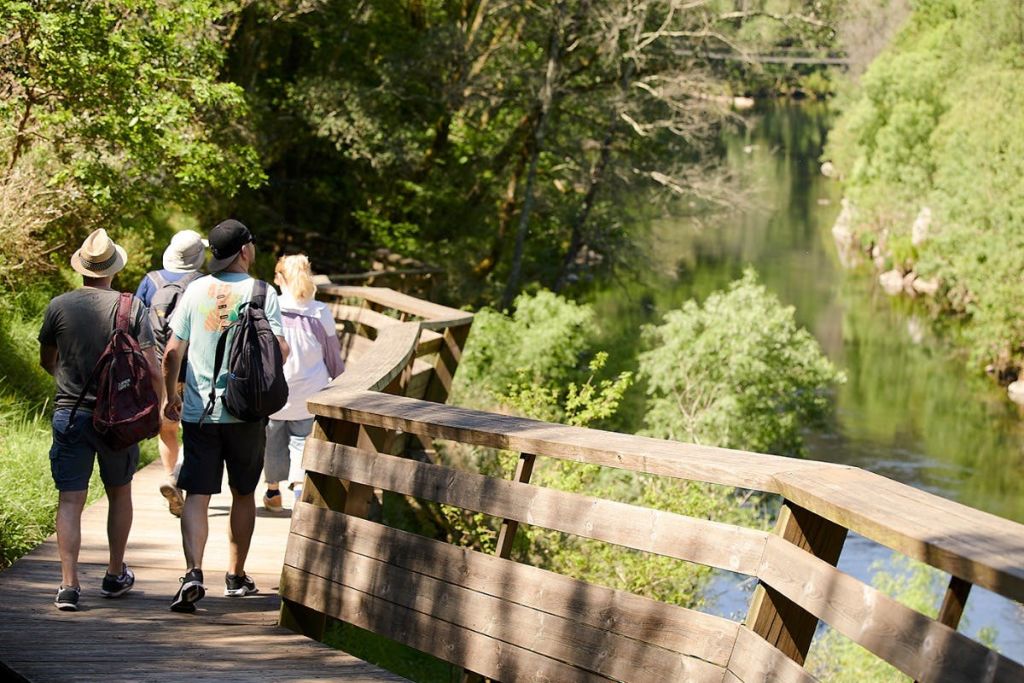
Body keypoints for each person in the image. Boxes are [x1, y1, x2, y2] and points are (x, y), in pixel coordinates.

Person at [161, 219, 289, 613]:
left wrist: (171, 397)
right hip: (247, 413)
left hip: (200, 411)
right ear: (245, 251)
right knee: (243, 493)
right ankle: (235, 576)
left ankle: (193, 572)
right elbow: (281, 350)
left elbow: (170, 353)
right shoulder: (262, 292)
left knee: (198, 494)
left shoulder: (196, 288)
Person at [38, 228, 161, 611]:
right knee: (119, 492)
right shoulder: (131, 307)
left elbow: (47, 360)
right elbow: (152, 367)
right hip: (119, 420)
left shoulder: (59, 305)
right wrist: (163, 403)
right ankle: (113, 573)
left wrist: (70, 384)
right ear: (113, 268)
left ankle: (68, 585)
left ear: (82, 268)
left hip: (70, 414)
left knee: (70, 500)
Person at [262, 255, 344, 511]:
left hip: (275, 392)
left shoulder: (270, 306)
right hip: (310, 393)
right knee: (301, 441)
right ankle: (299, 490)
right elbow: (333, 356)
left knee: (272, 439)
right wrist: (342, 387)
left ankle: (273, 492)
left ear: (280, 278)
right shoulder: (319, 311)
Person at [135, 230, 207, 517]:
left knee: (167, 426)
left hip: (159, 365)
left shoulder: (151, 281)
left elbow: (138, 324)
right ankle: (178, 477)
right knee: (194, 429)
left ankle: (169, 476)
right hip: (194, 367)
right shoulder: (202, 282)